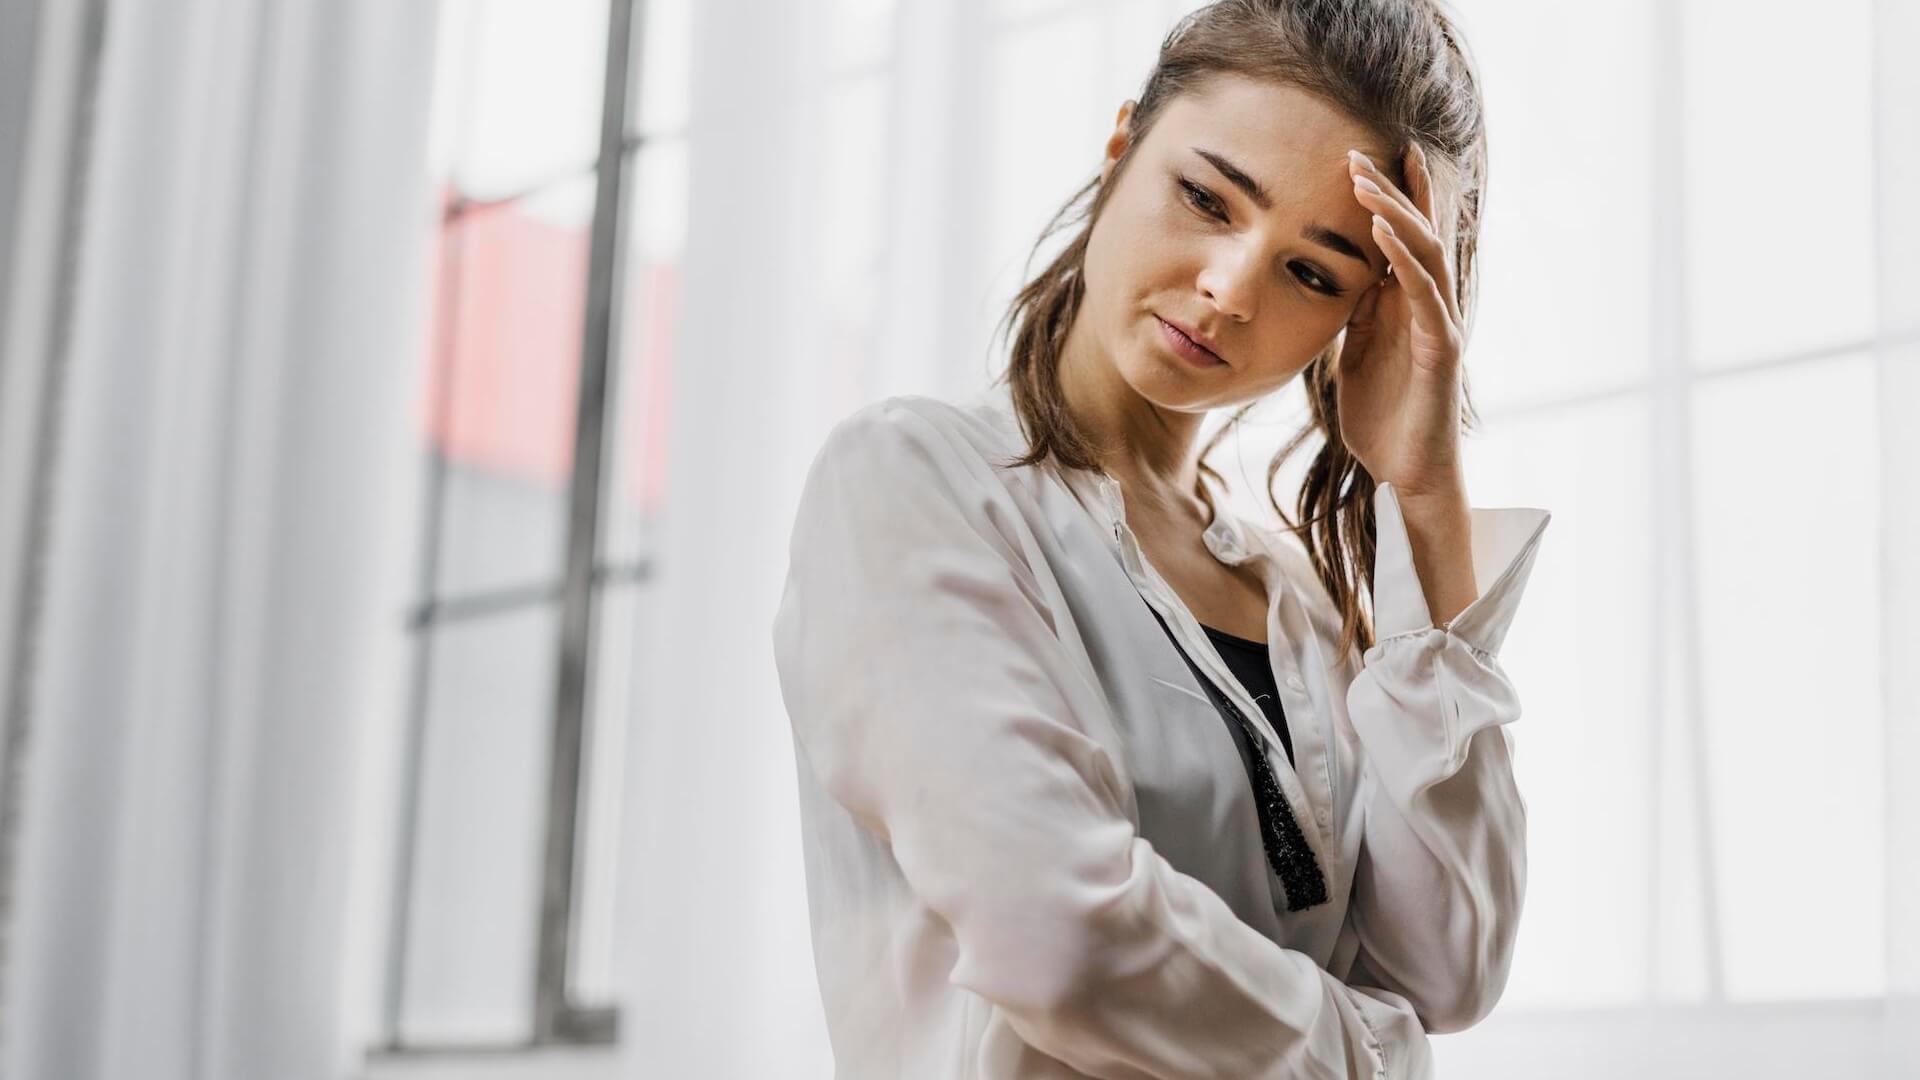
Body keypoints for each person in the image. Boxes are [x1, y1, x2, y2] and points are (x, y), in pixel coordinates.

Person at [771, 1, 1553, 1076]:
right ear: (1121, 148)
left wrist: (1423, 492)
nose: (1229, 290)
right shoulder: (913, 481)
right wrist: (1374, 1058)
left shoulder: (1302, 604)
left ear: (1361, 318)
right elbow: (1060, 940)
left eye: (1313, 273)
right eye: (1206, 198)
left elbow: (1451, 972)